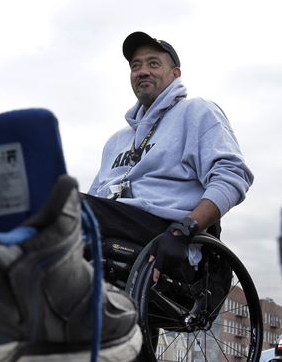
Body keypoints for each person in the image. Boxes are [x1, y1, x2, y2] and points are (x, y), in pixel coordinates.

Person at [85, 31, 253, 278]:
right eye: (136, 66)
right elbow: (93, 198)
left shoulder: (196, 112)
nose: (143, 71)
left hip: (162, 225)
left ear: (175, 74)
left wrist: (184, 230)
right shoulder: (116, 141)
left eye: (154, 63)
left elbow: (232, 176)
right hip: (113, 222)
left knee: (62, 206)